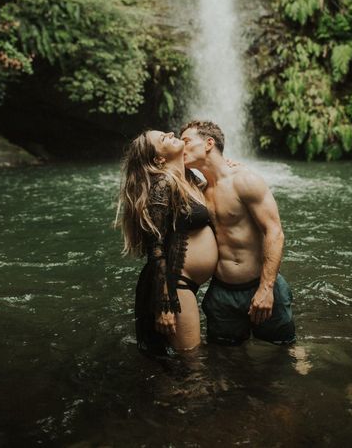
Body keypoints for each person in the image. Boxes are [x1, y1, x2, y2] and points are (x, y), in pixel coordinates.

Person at [180, 120, 296, 346]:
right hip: (221, 293)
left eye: (185, 141)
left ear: (208, 143)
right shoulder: (198, 194)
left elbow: (275, 232)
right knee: (225, 358)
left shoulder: (245, 181)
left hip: (259, 285)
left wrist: (266, 288)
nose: (179, 147)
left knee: (285, 350)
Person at [116, 130, 218, 354]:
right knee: (189, 362)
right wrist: (164, 304)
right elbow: (156, 247)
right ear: (159, 159)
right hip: (174, 285)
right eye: (163, 138)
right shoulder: (162, 184)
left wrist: (228, 168)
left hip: (185, 284)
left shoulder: (188, 179)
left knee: (182, 362)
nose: (172, 133)